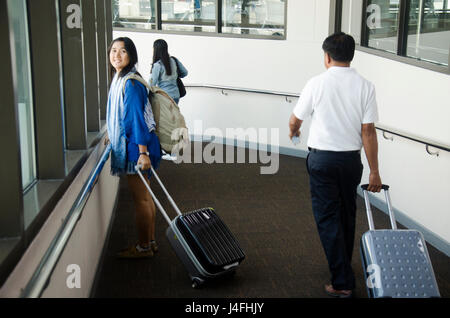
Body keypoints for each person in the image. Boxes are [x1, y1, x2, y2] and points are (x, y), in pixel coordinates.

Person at [288, 32, 382, 298]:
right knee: (346, 214)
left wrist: (293, 131)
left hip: (323, 161)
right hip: (351, 161)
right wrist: (374, 170)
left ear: (327, 57)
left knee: (328, 217)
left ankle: (341, 281)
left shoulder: (316, 83)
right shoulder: (366, 86)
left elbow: (296, 119)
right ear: (351, 56)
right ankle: (343, 263)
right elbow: (368, 132)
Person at [106, 36, 162, 258]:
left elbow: (137, 119)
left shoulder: (130, 82)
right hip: (136, 146)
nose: (116, 55)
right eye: (113, 51)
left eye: (123, 51)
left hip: (137, 149)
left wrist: (142, 153)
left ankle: (143, 247)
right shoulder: (122, 78)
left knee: (141, 199)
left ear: (131, 56)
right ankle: (151, 241)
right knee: (146, 197)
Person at [149, 39, 188, 105]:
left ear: (155, 50)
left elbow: (151, 84)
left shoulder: (157, 65)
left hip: (164, 96)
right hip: (176, 95)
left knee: (165, 115)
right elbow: (185, 73)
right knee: (174, 114)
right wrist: (175, 76)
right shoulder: (173, 60)